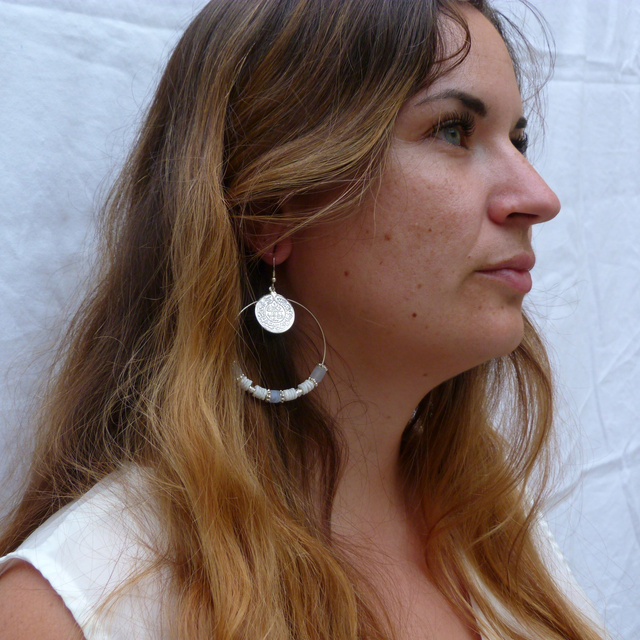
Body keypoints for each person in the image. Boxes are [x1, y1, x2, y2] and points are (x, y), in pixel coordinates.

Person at [0, 0, 611, 639]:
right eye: (453, 130)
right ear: (274, 209)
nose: (539, 197)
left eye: (518, 140)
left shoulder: (495, 535)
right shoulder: (88, 604)